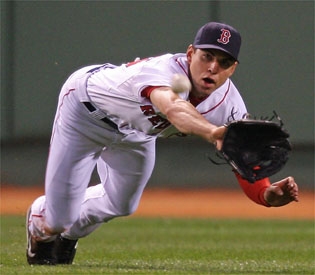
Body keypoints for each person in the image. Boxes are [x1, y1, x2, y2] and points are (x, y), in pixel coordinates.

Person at [26, 22, 299, 265]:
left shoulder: (229, 104)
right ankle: (41, 219)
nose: (213, 67)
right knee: (58, 217)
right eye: (207, 56)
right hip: (85, 114)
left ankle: (69, 235)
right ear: (191, 54)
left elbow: (244, 158)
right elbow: (175, 111)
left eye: (224, 62)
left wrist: (265, 195)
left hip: (136, 134)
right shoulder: (162, 71)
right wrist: (214, 132)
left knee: (122, 204)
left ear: (233, 69)